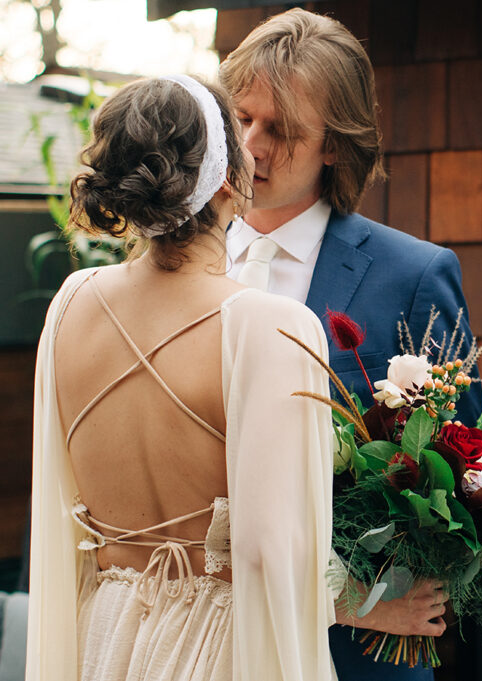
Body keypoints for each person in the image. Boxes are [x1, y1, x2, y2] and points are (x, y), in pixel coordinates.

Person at [26, 75, 335, 681]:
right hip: (219, 649)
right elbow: (274, 556)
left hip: (101, 634)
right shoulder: (272, 327)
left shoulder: (70, 304)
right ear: (225, 179)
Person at [218, 9, 482, 679]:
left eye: (281, 130)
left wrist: (373, 592)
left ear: (334, 144)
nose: (250, 146)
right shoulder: (180, 261)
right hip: (203, 642)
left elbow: (463, 485)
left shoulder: (415, 275)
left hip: (358, 661)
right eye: (241, 118)